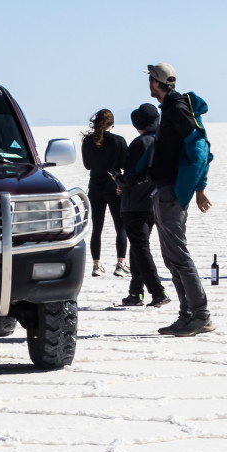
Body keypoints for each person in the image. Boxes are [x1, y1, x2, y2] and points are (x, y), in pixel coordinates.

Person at [145, 63, 214, 337]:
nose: (148, 84)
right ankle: (187, 315)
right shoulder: (171, 108)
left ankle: (201, 314)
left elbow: (201, 149)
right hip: (166, 188)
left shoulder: (176, 109)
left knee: (179, 256)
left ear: (155, 82)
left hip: (172, 191)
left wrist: (196, 187)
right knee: (172, 257)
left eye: (150, 79)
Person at [114, 103, 167, 308]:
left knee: (141, 249)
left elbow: (130, 175)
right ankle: (136, 293)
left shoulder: (139, 143)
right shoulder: (163, 141)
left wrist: (119, 181)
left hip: (134, 203)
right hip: (155, 203)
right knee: (138, 249)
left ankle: (157, 291)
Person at [80, 109, 128, 278]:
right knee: (120, 227)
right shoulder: (118, 141)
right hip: (114, 187)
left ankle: (96, 265)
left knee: (97, 228)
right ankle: (121, 264)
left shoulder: (87, 141)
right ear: (111, 124)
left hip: (95, 187)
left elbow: (87, 165)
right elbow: (125, 164)